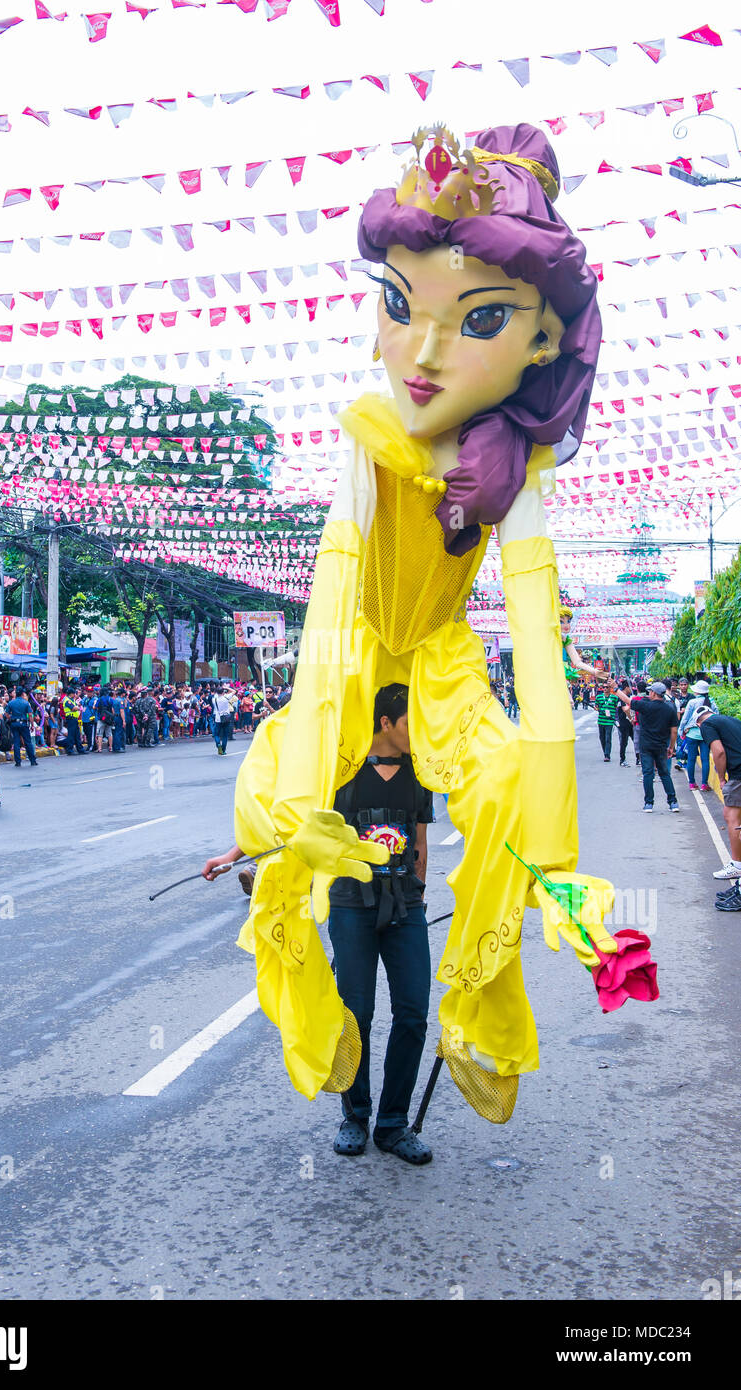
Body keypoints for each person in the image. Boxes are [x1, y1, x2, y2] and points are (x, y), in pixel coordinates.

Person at [231, 123, 623, 1127]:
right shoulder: (369, 441)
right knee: (285, 801)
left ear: (543, 340)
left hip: (442, 659)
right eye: (401, 307)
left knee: (504, 786)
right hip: (357, 649)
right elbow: (332, 591)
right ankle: (351, 1077)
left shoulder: (513, 469)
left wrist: (560, 861)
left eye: (479, 318)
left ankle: (469, 1014)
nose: (424, 351)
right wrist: (309, 760)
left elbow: (538, 646)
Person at [326, 684, 434, 1164]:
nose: (421, 734)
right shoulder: (340, 769)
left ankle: (393, 1122)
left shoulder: (421, 771)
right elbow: (285, 820)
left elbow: (421, 843)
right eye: (412, 723)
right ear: (386, 721)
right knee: (357, 1015)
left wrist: (418, 894)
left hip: (406, 908)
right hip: (351, 905)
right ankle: (355, 1114)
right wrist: (232, 855)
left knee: (412, 1012)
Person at [695, 707, 741, 892]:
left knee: (731, 817)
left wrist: (721, 778)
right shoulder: (731, 720)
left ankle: (736, 865)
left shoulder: (707, 725)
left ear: (699, 723)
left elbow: (719, 752)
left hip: (738, 774)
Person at [617, 682, 678, 813]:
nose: (649, 693)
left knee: (648, 773)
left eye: (650, 691)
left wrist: (615, 689)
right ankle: (673, 802)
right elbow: (674, 731)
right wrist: (671, 747)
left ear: (654, 693)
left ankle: (649, 803)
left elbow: (627, 700)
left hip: (646, 746)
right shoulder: (670, 709)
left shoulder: (645, 706)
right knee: (664, 773)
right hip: (661, 745)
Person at [677, 681, 715, 792]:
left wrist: (681, 730)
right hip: (706, 735)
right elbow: (716, 716)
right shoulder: (711, 702)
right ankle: (704, 784)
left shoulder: (692, 702)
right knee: (705, 759)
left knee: (691, 759)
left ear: (697, 691)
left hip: (692, 734)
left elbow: (685, 718)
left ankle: (692, 784)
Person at [6, 687, 39, 767]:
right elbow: (30, 715)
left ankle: (18, 762)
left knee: (16, 743)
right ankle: (32, 760)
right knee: (28, 742)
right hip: (24, 723)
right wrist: (31, 725)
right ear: (22, 694)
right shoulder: (26, 703)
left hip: (14, 724)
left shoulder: (11, 703)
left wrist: (12, 718)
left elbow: (7, 714)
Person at [594, 678, 617, 762]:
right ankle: (605, 753)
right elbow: (596, 706)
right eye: (604, 687)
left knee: (608, 738)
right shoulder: (599, 697)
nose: (605, 689)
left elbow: (616, 707)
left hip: (609, 721)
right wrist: (596, 708)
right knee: (602, 738)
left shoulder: (614, 698)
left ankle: (607, 755)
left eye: (607, 687)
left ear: (610, 688)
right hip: (601, 720)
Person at [212, 685, 235, 755]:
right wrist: (226, 687)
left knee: (216, 734)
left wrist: (219, 689)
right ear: (223, 692)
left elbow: (216, 694)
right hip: (226, 717)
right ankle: (223, 750)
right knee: (225, 735)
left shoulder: (214, 699)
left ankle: (218, 743)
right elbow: (234, 691)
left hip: (218, 718)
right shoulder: (226, 697)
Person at [616, 681, 634, 767]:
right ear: (626, 687)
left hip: (630, 723)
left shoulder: (629, 696)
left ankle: (639, 759)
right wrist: (631, 718)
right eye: (631, 687)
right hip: (624, 722)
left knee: (636, 740)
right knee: (624, 742)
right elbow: (625, 709)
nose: (632, 689)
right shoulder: (621, 697)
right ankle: (622, 760)